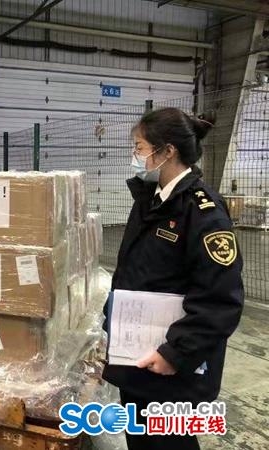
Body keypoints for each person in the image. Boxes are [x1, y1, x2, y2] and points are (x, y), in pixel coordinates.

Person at [102, 108, 244, 450]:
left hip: (172, 365)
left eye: (140, 147)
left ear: (167, 151)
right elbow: (135, 272)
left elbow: (220, 300)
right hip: (138, 356)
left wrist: (175, 353)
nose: (135, 156)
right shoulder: (150, 199)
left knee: (169, 443)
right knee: (140, 439)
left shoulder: (204, 212)